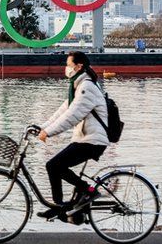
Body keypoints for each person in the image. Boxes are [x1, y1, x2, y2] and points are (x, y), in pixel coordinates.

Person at [36, 51, 110, 219]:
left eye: (69, 65)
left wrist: (49, 132)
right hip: (85, 138)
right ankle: (66, 206)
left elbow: (72, 116)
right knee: (55, 166)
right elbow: (63, 111)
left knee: (53, 166)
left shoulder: (87, 87)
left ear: (79, 66)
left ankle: (87, 192)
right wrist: (42, 127)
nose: (66, 68)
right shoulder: (78, 85)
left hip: (92, 141)